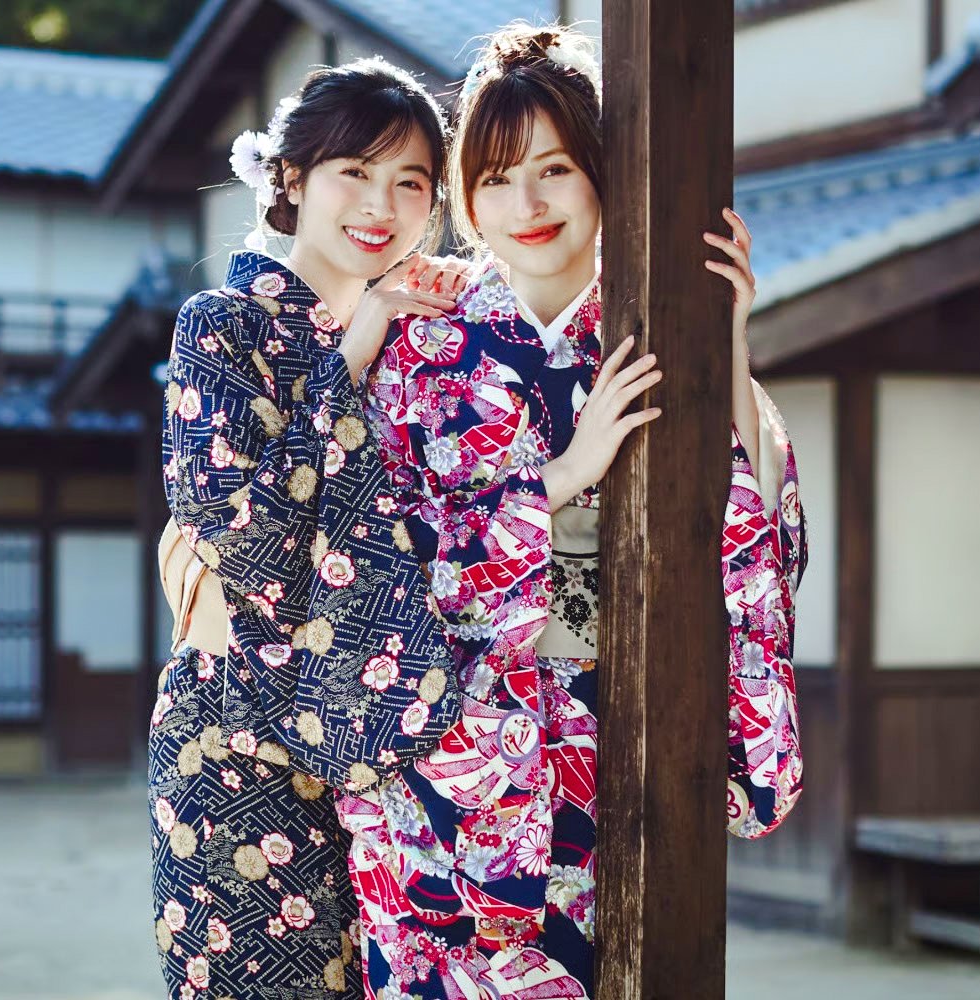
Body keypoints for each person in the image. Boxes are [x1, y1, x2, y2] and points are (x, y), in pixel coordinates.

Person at [334, 24, 809, 998]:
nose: (528, 205)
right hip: (447, 753)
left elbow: (756, 528)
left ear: (603, 174)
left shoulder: (655, 330)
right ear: (467, 195)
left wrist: (726, 345)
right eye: (497, 178)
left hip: (612, 728)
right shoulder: (421, 342)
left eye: (555, 169)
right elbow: (367, 550)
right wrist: (556, 480)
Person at [148, 56, 477, 999]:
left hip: (404, 737)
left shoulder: (429, 336)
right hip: (239, 736)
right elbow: (244, 542)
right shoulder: (221, 324)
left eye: (410, 181)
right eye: (354, 172)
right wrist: (352, 354)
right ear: (291, 179)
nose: (381, 205)